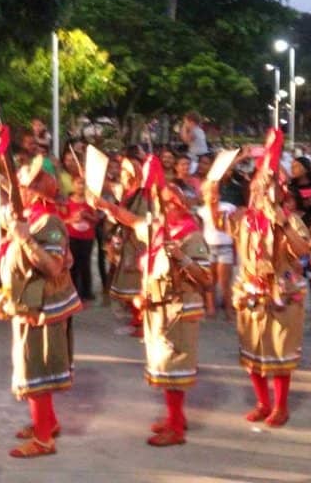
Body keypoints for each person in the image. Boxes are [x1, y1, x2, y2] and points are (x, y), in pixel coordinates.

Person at [0, 153, 82, 458]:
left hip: (44, 309)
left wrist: (26, 241)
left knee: (36, 370)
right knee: (30, 366)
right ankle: (47, 422)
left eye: (27, 184)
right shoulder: (26, 214)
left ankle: (44, 440)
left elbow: (54, 268)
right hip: (26, 304)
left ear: (40, 188)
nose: (21, 189)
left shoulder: (50, 221)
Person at [233, 129, 311, 428]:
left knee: (279, 351)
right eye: (257, 187)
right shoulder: (244, 218)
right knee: (252, 350)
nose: (260, 192)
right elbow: (216, 221)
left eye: (267, 187)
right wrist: (213, 191)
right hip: (251, 290)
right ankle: (262, 402)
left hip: (281, 291)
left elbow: (303, 250)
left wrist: (282, 224)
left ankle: (280, 406)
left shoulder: (290, 219)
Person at [133, 183, 211, 447]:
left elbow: (206, 278)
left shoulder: (192, 237)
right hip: (160, 307)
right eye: (160, 203)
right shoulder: (161, 232)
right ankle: (175, 417)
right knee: (166, 367)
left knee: (174, 368)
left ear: (179, 206)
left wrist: (182, 258)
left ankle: (176, 429)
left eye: (166, 204)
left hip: (180, 309)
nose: (161, 208)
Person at [95, 157, 148, 336]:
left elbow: (135, 220)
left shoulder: (143, 195)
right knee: (129, 283)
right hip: (127, 243)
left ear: (133, 175)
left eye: (125, 172)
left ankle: (141, 325)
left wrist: (109, 207)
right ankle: (136, 322)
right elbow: (110, 188)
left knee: (137, 284)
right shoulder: (127, 192)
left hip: (139, 244)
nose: (121, 175)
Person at [197, 175, 237, 319]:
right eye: (208, 192)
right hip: (208, 246)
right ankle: (211, 307)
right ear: (203, 195)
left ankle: (229, 309)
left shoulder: (228, 208)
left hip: (225, 246)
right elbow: (200, 230)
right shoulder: (201, 211)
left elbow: (233, 227)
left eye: (215, 192)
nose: (212, 195)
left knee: (225, 281)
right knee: (210, 280)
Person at [65, 175, 99, 302]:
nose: (81, 186)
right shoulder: (67, 202)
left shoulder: (90, 202)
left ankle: (86, 291)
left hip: (87, 238)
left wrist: (87, 216)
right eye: (78, 183)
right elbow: (61, 220)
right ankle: (74, 291)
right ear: (73, 184)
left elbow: (96, 219)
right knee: (72, 264)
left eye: (83, 183)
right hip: (72, 236)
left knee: (86, 264)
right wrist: (72, 219)